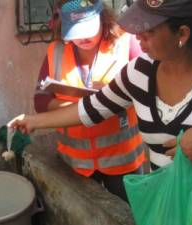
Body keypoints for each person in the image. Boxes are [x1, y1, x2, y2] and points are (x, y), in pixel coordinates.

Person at [10, 0, 192, 224]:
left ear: (182, 33)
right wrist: (33, 121)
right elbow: (90, 109)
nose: (138, 38)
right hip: (166, 217)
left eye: (148, 32)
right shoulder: (140, 72)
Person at [34, 0, 146, 202]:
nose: (83, 37)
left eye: (88, 29)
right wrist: (85, 107)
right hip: (76, 161)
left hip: (122, 159)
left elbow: (146, 91)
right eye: (76, 31)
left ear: (103, 18)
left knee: (128, 214)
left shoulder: (126, 43)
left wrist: (109, 97)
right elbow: (40, 101)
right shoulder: (56, 51)